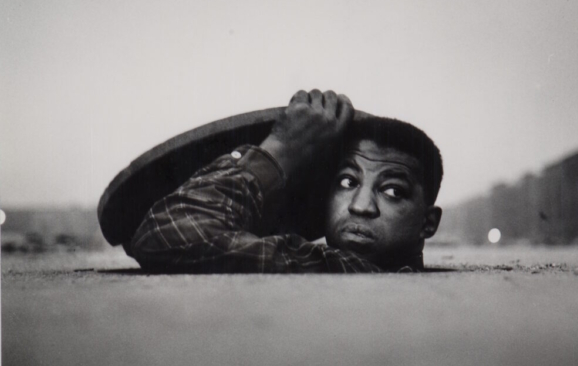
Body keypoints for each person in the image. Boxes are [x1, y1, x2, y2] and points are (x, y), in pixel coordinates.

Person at [128, 90, 443, 273]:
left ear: (429, 222)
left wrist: (280, 150)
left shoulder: (334, 267)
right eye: (347, 182)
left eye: (392, 191)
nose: (360, 207)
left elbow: (164, 234)